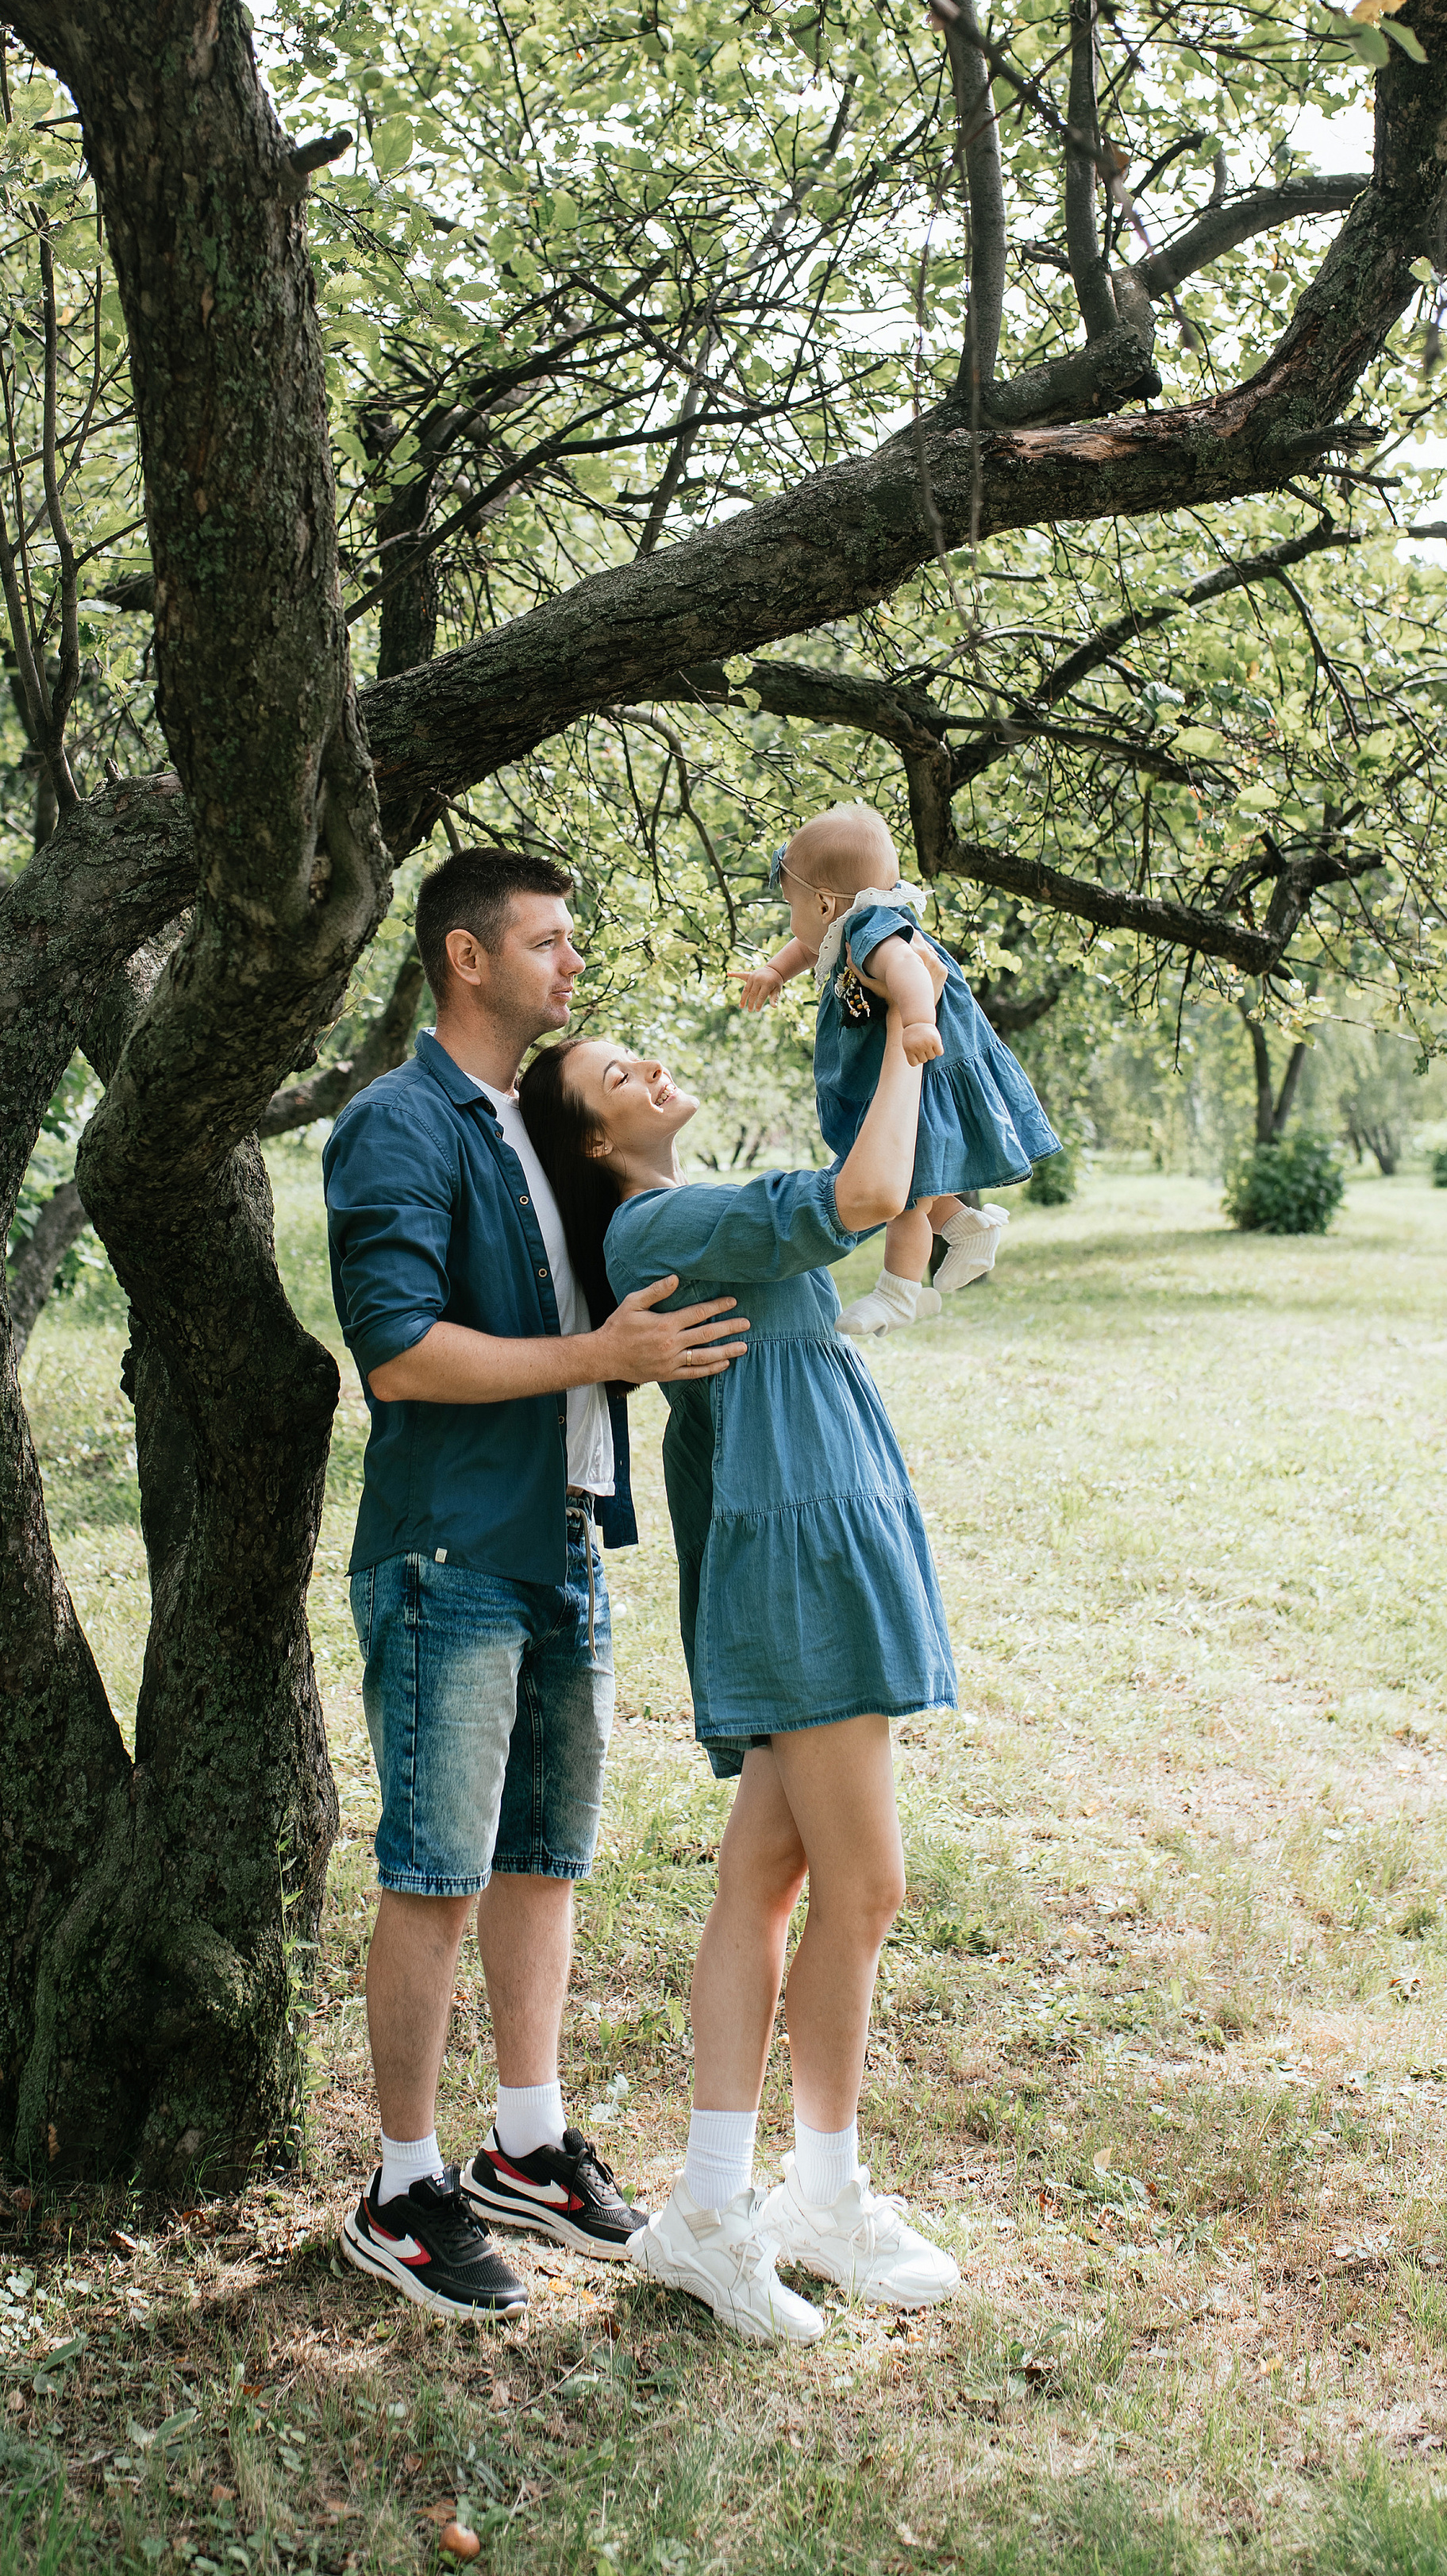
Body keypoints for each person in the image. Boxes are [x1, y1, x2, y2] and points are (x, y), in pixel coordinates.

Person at [323, 849, 755, 2322]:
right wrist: (598, 1360)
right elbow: (396, 1351)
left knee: (542, 1861)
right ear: (466, 956)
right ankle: (400, 2186)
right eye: (549, 943)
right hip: (453, 1548)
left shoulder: (534, 1123)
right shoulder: (398, 1122)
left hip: (566, 1537)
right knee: (435, 1874)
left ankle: (523, 2146)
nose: (573, 965)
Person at [518, 1012, 962, 2343]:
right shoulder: (656, 1229)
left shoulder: (688, 1216)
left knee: (767, 1882)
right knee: (865, 1884)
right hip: (800, 1554)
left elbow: (888, 1214)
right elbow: (867, 1192)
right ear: (596, 1142)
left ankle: (716, 2213)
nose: (651, 1068)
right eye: (617, 1077)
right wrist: (910, 1032)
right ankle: (804, 2198)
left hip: (819, 1527)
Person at [736, 802, 1061, 1335]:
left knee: (905, 1191)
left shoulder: (871, 932)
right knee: (915, 1175)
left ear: (822, 903)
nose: (791, 922)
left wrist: (915, 1021)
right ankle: (967, 1226)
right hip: (908, 1067)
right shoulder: (851, 923)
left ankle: (900, 1292)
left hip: (922, 1065)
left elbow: (908, 966)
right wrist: (774, 971)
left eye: (791, 907)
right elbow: (806, 943)